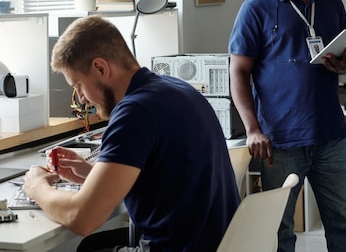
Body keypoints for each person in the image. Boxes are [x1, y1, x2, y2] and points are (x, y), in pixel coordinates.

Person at [23, 16, 240, 252]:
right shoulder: (174, 89)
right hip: (218, 243)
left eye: (78, 86)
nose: (82, 99)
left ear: (100, 68)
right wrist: (89, 173)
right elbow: (162, 175)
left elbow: (82, 218)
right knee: (91, 247)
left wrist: (36, 187)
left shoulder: (134, 112)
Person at [228, 0, 346, 252]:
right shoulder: (255, 8)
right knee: (279, 230)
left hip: (331, 135)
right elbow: (238, 73)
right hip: (280, 142)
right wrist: (252, 129)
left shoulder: (330, 0)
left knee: (345, 223)